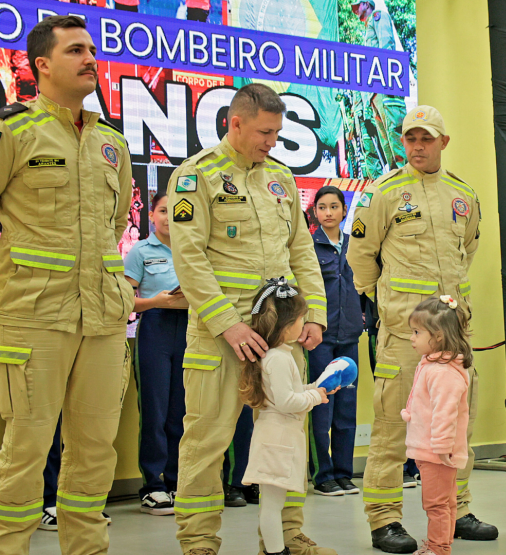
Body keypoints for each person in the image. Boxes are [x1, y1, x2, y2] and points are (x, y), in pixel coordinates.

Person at [168, 83, 331, 555]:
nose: (272, 142)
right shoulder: (196, 176)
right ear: (235, 123)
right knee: (205, 440)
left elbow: (301, 250)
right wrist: (227, 323)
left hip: (281, 332)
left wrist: (312, 315)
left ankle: (288, 537)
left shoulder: (280, 176)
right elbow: (189, 257)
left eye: (277, 133)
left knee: (287, 437)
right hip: (223, 333)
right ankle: (199, 544)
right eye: (264, 132)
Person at [0, 15, 134, 553]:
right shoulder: (15, 133)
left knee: (96, 452)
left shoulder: (112, 144)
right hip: (32, 316)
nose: (90, 59)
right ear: (42, 65)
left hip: (102, 317)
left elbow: (118, 220)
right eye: (76, 50)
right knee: (25, 449)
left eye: (92, 50)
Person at [348, 105, 496, 553]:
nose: (416, 146)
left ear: (443, 143)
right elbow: (360, 259)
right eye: (410, 138)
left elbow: (467, 249)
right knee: (393, 425)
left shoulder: (462, 194)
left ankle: (456, 509)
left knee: (458, 425)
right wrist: (392, 309)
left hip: (453, 336)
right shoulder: (383, 194)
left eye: (426, 139)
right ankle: (383, 520)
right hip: (403, 337)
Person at [238, 279, 339, 555]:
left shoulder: (277, 355)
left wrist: (315, 388)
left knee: (274, 504)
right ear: (285, 324)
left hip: (278, 437)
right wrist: (316, 397)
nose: (304, 323)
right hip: (277, 440)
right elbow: (286, 402)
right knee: (272, 506)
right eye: (300, 318)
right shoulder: (280, 359)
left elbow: (289, 392)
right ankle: (275, 552)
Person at [124, 192, 190, 515]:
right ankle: (153, 485)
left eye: (175, 211)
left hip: (189, 329)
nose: (169, 217)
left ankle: (177, 480)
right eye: (163, 211)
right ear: (152, 215)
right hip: (154, 328)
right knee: (154, 410)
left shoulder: (190, 249)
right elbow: (126, 299)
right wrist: (156, 302)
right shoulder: (140, 251)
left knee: (182, 410)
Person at [401, 296, 473, 555]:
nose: (412, 337)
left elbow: (446, 414)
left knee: (437, 503)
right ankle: (439, 545)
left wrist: (442, 448)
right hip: (429, 450)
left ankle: (438, 548)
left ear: (439, 336)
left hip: (437, 452)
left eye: (417, 332)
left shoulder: (443, 372)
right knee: (444, 501)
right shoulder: (432, 363)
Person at [308, 186, 362, 496]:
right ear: (315, 212)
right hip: (320, 338)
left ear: (344, 210)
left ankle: (344, 473)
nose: (328, 212)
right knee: (321, 407)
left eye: (334, 206)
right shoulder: (308, 246)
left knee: (346, 409)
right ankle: (322, 474)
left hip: (350, 336)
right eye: (322, 207)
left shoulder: (356, 246)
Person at [351, 1, 407, 174]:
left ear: (367, 4)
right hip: (374, 93)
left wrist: (386, 79)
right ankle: (395, 178)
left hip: (385, 86)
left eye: (357, 4)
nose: (354, 9)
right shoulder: (367, 28)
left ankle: (405, 176)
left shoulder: (378, 17)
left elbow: (386, 47)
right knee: (385, 141)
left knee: (395, 134)